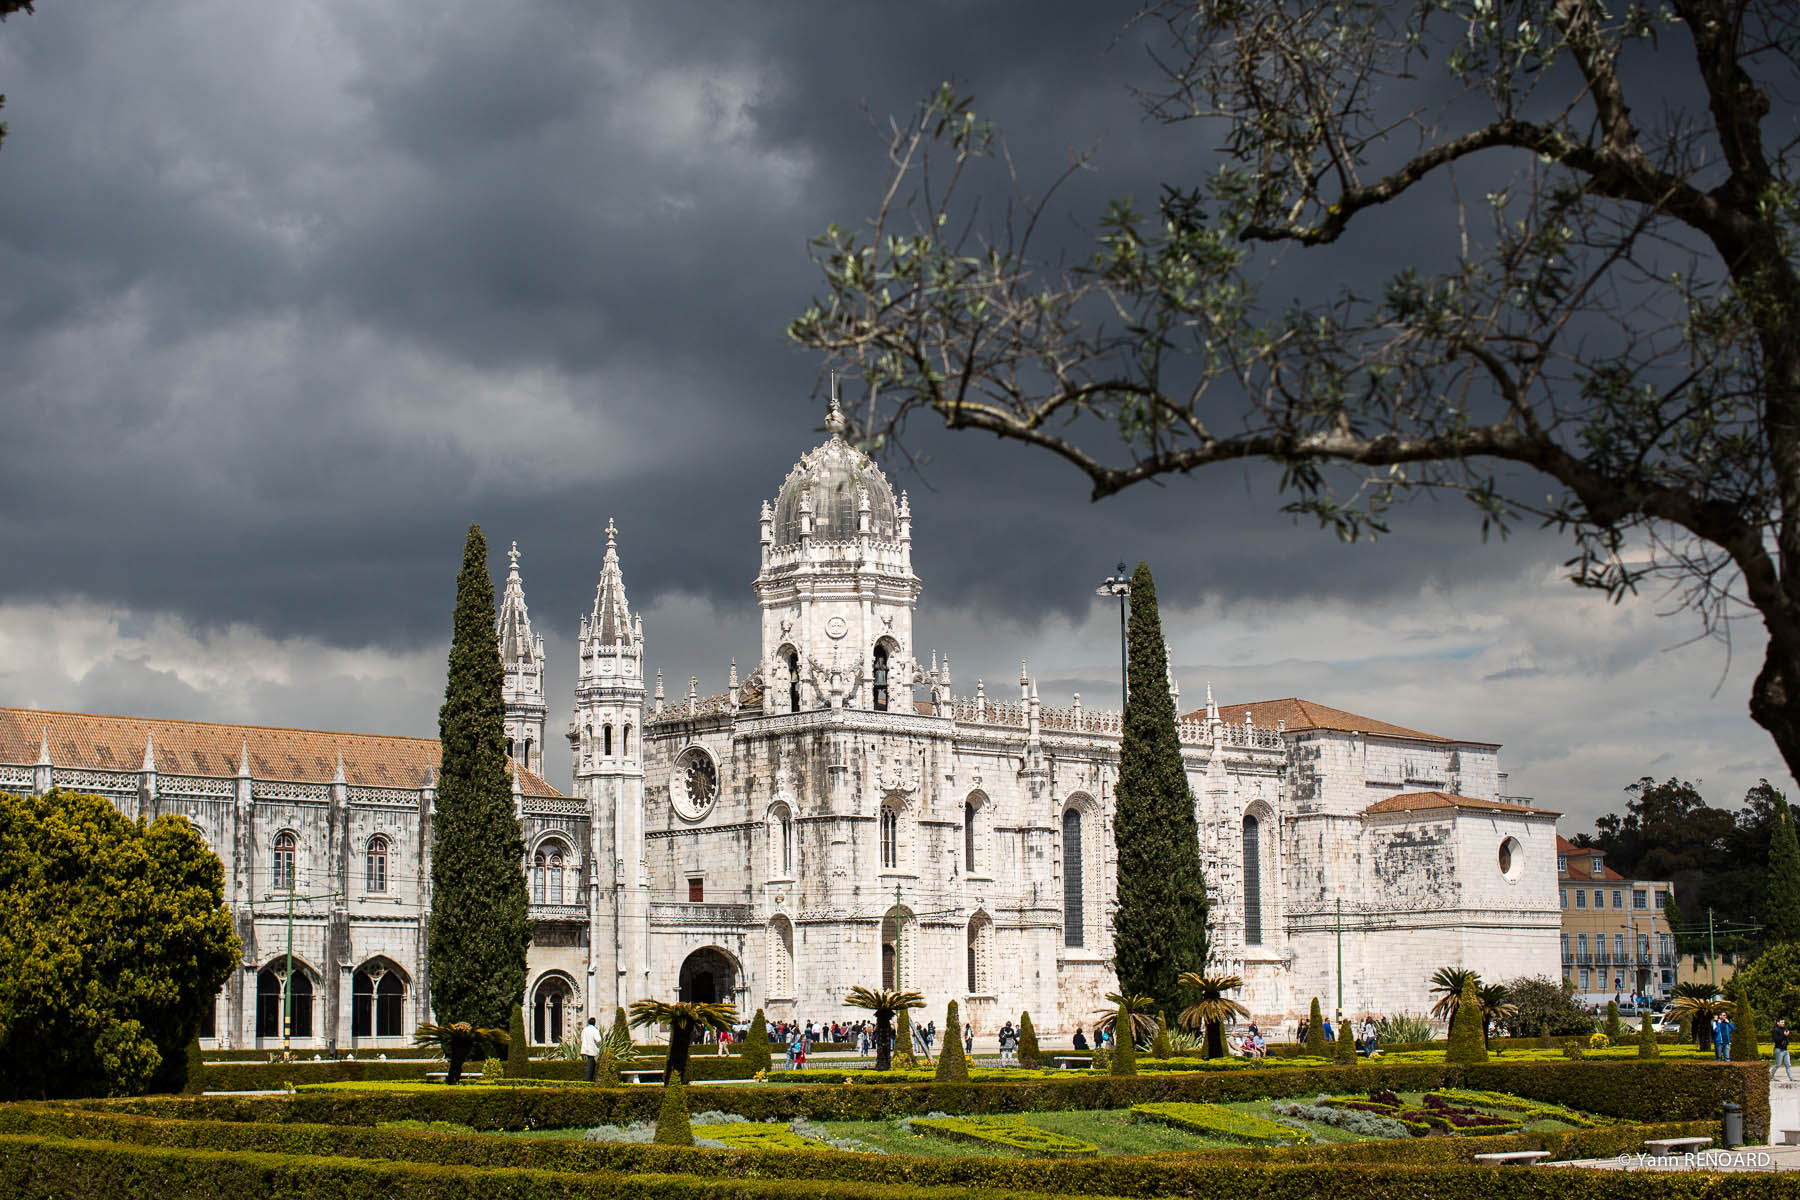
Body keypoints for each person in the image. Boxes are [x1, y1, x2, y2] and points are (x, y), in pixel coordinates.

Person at [579, 1017, 602, 1083]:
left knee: (592, 1062)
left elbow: (582, 1038)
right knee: (590, 1062)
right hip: (592, 1048)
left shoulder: (585, 1029)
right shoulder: (594, 1030)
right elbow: (598, 1039)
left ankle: (591, 1078)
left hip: (586, 1048)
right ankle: (586, 1079)